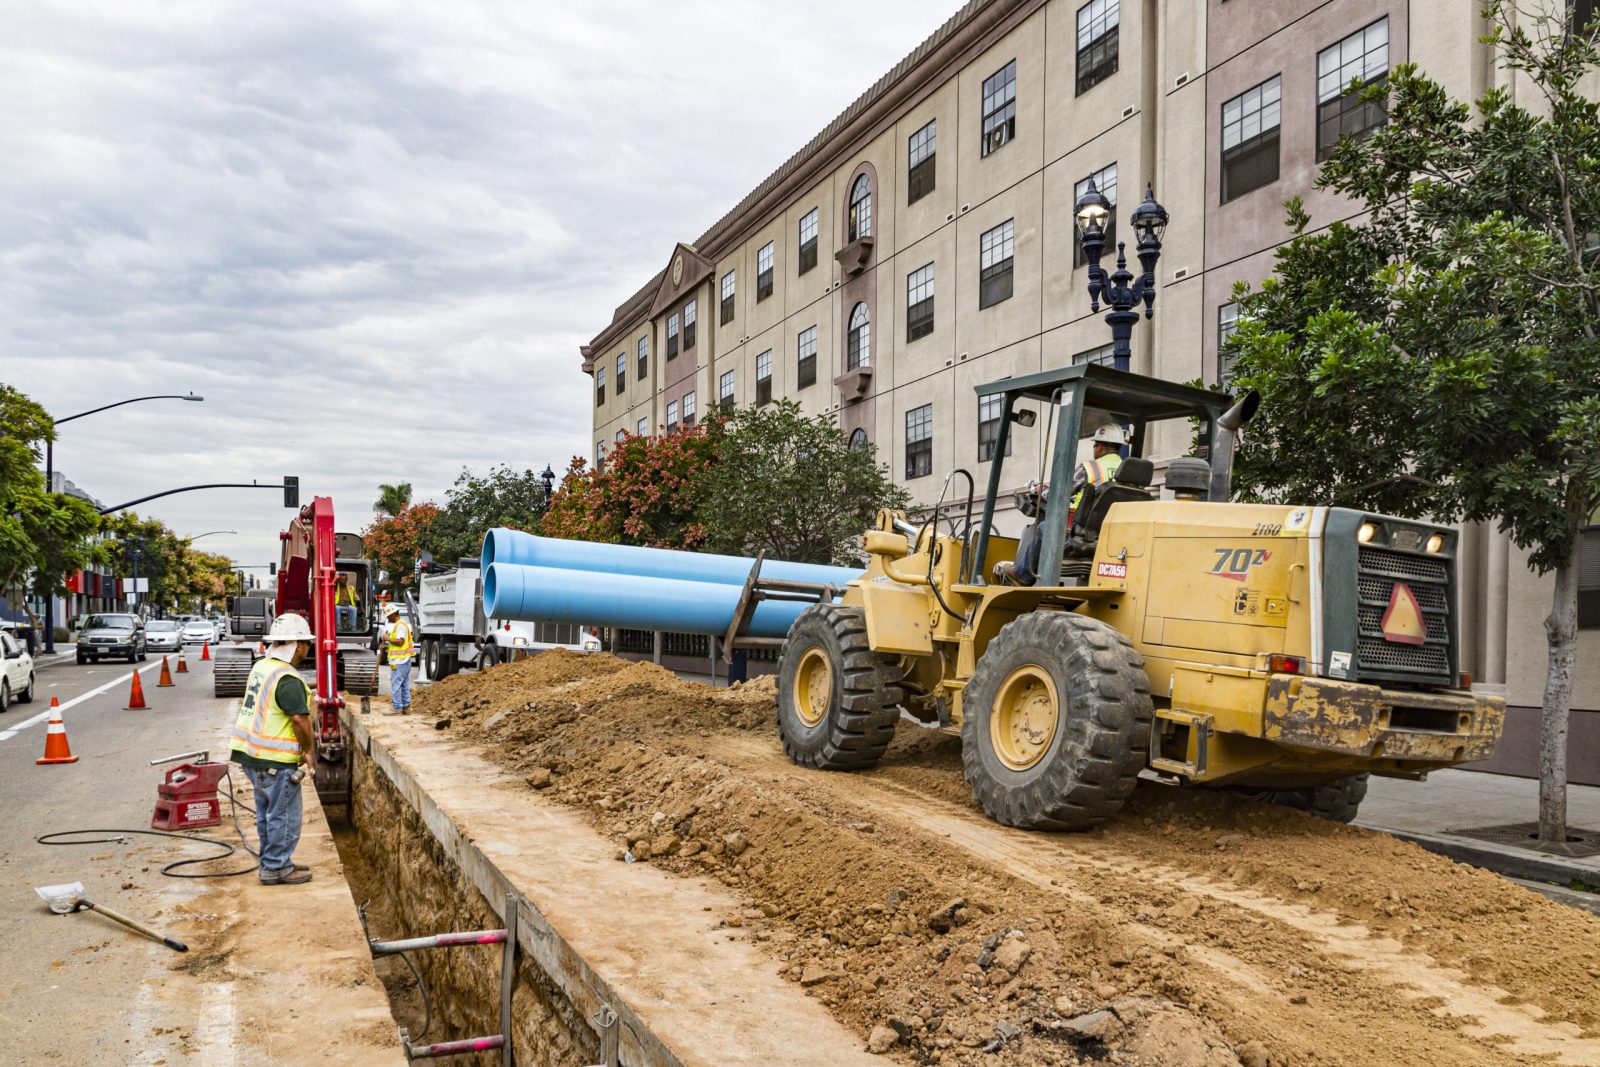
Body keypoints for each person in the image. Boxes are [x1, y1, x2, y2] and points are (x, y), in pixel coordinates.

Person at [229, 613, 317, 886]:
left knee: (268, 813)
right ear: (298, 645)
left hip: (252, 754)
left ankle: (275, 861)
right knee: (284, 815)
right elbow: (299, 720)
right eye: (306, 643)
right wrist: (309, 751)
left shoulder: (263, 667)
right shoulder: (288, 679)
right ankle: (276, 868)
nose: (307, 648)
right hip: (275, 760)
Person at [1069, 424, 1128, 512]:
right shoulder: (1129, 470)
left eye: (1095, 445)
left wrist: (1043, 491)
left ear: (1099, 447)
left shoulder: (1089, 467)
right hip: (1116, 519)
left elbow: (1060, 492)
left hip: (1085, 523)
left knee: (1044, 525)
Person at [385, 603, 415, 713]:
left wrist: (387, 639)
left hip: (400, 660)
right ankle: (406, 707)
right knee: (404, 684)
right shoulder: (399, 625)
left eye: (388, 616)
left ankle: (397, 707)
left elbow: (400, 641)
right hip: (403, 660)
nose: (388, 618)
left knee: (396, 684)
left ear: (393, 614)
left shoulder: (400, 625)